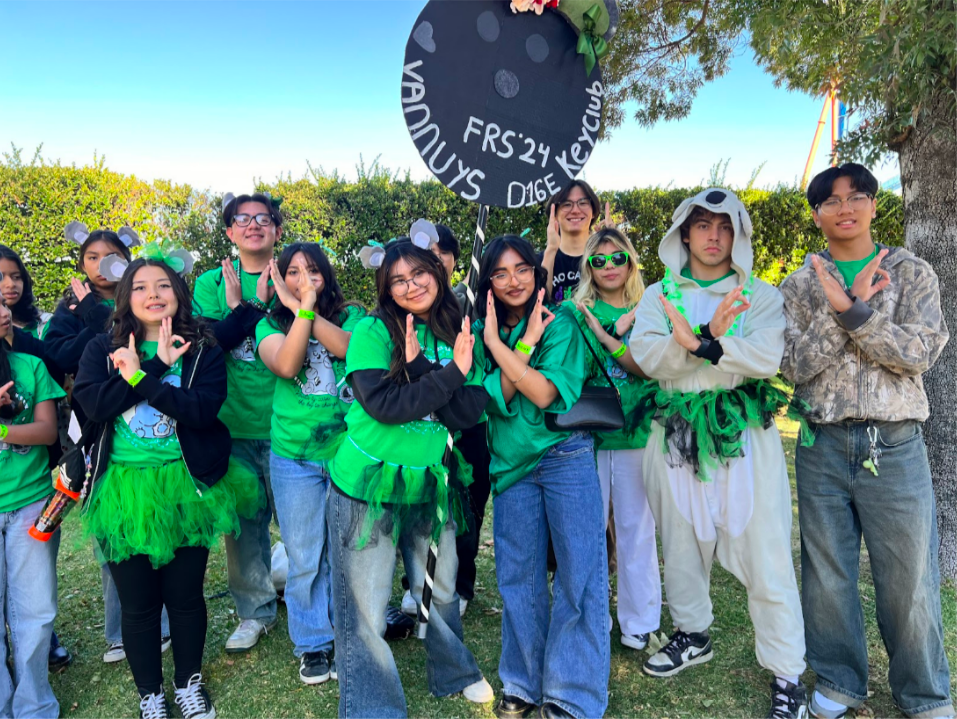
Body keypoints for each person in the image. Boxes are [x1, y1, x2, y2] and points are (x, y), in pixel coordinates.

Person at [780, 164, 953, 719]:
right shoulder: (800, 285)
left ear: (875, 205)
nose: (844, 208)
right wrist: (840, 310)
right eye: (831, 202)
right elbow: (794, 366)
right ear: (816, 215)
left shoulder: (913, 272)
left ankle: (925, 695)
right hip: (822, 443)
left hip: (894, 443)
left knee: (910, 577)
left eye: (856, 197)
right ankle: (837, 682)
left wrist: (855, 313)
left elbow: (920, 354)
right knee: (827, 572)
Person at [630, 188, 808, 719]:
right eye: (702, 225)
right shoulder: (659, 296)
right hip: (676, 428)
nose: (713, 236)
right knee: (680, 538)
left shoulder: (759, 294)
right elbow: (649, 356)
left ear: (738, 234)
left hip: (741, 433)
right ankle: (692, 633)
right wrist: (702, 340)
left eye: (724, 226)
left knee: (766, 547)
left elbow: (763, 356)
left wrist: (704, 344)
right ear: (684, 233)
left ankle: (787, 673)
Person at [72, 252, 262, 719]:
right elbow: (95, 407)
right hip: (122, 491)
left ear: (179, 292)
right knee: (137, 606)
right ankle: (150, 695)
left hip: (187, 487)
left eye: (163, 285)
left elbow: (200, 411)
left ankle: (188, 684)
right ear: (125, 297)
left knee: (184, 596)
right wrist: (151, 367)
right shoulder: (102, 347)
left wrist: (140, 375)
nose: (153, 295)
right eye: (140, 287)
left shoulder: (203, 349)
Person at [327, 238, 493, 717]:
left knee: (442, 586)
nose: (411, 285)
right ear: (386, 286)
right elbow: (384, 406)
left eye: (419, 273)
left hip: (428, 481)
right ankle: (374, 706)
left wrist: (429, 367)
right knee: (366, 605)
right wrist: (449, 375)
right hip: (366, 484)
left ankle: (454, 671)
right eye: (398, 279)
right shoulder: (372, 331)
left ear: (437, 271)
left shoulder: (460, 329)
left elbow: (464, 413)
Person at [475, 235, 608, 719]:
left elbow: (545, 392)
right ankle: (522, 683)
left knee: (579, 572)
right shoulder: (478, 329)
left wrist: (504, 349)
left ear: (537, 272)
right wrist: (505, 342)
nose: (514, 281)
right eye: (501, 273)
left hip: (563, 455)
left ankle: (573, 693)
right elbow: (484, 398)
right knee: (518, 577)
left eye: (523, 269)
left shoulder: (562, 320)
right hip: (511, 466)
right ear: (488, 281)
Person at [255, 243, 365, 684]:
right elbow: (286, 364)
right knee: (305, 557)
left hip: (345, 454)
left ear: (327, 277)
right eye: (295, 272)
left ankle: (347, 637)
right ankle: (313, 643)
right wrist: (297, 312)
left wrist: (308, 309)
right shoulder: (267, 324)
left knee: (348, 553)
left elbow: (353, 351)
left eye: (313, 272)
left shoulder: (354, 315)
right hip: (294, 458)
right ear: (280, 279)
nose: (305, 280)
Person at [565, 227, 662, 651]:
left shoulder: (652, 309)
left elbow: (658, 367)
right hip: (588, 434)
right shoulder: (575, 312)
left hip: (637, 432)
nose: (608, 267)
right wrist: (603, 333)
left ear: (631, 261)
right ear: (588, 266)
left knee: (635, 527)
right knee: (586, 529)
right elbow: (571, 368)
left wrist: (622, 331)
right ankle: (590, 613)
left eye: (616, 258)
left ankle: (639, 619)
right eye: (598, 260)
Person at [193, 192, 280, 652]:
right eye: (241, 220)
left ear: (276, 230)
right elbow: (211, 344)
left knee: (309, 525)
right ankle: (255, 610)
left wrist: (256, 305)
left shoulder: (293, 274)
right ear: (229, 232)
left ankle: (319, 600)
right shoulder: (210, 283)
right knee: (244, 529)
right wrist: (239, 307)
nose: (252, 225)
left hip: (290, 425)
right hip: (233, 425)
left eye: (262, 219)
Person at [0, 295, 66, 718]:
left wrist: (4, 426)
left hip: (31, 503)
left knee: (36, 611)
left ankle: (33, 705)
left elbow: (46, 431)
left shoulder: (30, 366)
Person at [541, 180, 612, 303]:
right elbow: (536, 303)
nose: (575, 210)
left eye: (583, 203)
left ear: (593, 212)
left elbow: (627, 292)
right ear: (555, 214)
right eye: (566, 204)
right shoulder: (542, 260)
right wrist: (551, 249)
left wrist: (615, 242)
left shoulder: (605, 258)